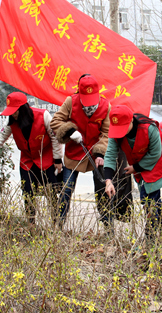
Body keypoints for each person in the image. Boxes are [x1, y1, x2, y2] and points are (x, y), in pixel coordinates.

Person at [0, 92, 63, 224]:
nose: (13, 115)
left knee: (51, 192)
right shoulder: (11, 120)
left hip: (47, 158)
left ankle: (56, 222)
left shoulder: (43, 115)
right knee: (27, 193)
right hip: (27, 160)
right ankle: (31, 222)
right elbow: (2, 135)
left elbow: (55, 137)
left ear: (24, 109)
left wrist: (58, 160)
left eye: (15, 112)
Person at [104, 105, 162, 245]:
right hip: (138, 167)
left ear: (131, 121)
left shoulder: (149, 128)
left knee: (149, 201)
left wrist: (136, 168)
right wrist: (108, 181)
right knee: (154, 203)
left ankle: (150, 241)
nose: (120, 133)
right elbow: (110, 155)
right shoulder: (116, 134)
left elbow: (155, 153)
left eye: (123, 128)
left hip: (157, 164)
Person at [50, 74, 112, 230]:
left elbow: (107, 133)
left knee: (102, 193)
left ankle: (108, 227)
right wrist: (70, 131)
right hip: (74, 154)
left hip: (95, 156)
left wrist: (100, 153)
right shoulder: (71, 101)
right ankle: (58, 226)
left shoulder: (106, 106)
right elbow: (55, 122)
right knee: (66, 191)